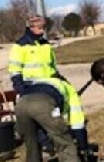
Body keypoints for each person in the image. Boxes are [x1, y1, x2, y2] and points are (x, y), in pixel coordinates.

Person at [14, 76, 100, 162]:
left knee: (31, 144)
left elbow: (41, 127)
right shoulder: (70, 91)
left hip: (21, 105)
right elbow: (77, 123)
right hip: (43, 104)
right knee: (67, 147)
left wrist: (47, 143)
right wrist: (83, 146)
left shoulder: (41, 82)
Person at [8, 14, 64, 153]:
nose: (42, 30)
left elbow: (52, 66)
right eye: (39, 28)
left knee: (53, 115)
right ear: (30, 27)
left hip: (50, 86)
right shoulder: (20, 46)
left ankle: (53, 141)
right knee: (36, 119)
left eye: (43, 27)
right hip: (31, 88)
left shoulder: (45, 44)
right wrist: (20, 89)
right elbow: (15, 70)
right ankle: (45, 145)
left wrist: (60, 80)